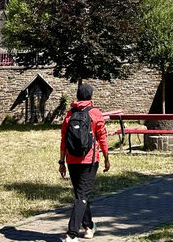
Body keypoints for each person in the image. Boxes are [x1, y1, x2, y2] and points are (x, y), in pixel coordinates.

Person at [59, 84, 110, 242]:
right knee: (82, 196)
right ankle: (72, 234)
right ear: (90, 97)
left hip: (71, 160)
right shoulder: (95, 113)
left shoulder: (69, 114)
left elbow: (63, 141)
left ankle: (88, 227)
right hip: (89, 161)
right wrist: (107, 158)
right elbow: (102, 138)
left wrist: (61, 162)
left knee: (81, 194)